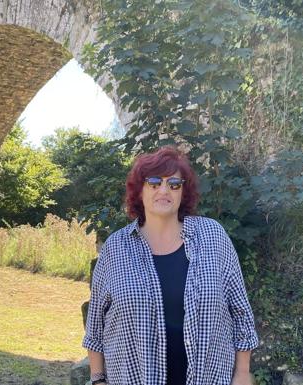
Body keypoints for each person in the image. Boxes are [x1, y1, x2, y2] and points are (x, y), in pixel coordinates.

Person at [82, 146, 259, 385]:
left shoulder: (213, 237)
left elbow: (240, 311)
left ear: (183, 192)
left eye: (174, 184)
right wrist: (97, 379)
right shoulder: (116, 248)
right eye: (154, 182)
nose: (164, 190)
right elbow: (96, 326)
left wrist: (242, 373)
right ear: (140, 190)